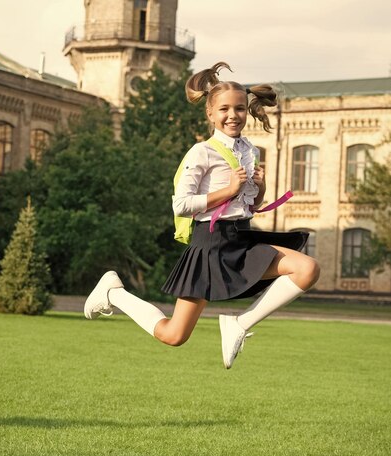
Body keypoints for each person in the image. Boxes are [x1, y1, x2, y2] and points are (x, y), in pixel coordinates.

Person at [84, 62, 320, 369]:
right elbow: (181, 205)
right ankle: (114, 293)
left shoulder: (250, 151)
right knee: (173, 335)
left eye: (239, 109)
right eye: (224, 109)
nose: (232, 115)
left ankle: (239, 324)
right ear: (210, 113)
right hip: (210, 245)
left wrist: (258, 190)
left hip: (241, 236)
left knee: (307, 269)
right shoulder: (201, 152)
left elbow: (246, 206)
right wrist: (228, 189)